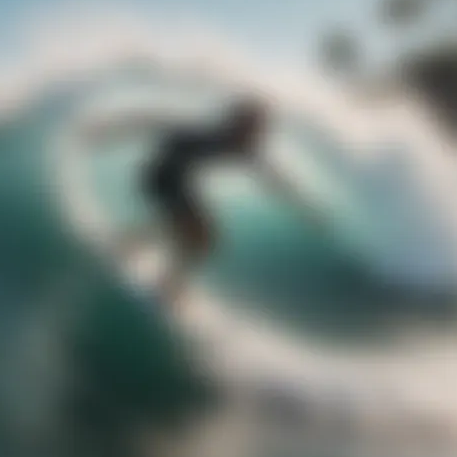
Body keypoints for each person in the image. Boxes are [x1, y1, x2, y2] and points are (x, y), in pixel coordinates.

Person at [81, 97, 323, 307]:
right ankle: (159, 282)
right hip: (159, 176)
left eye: (259, 129)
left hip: (176, 181)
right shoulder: (209, 135)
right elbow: (151, 121)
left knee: (198, 237)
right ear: (239, 124)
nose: (258, 135)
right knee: (197, 235)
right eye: (254, 128)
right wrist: (107, 131)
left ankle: (128, 247)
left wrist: (305, 209)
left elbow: (271, 177)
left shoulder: (239, 148)